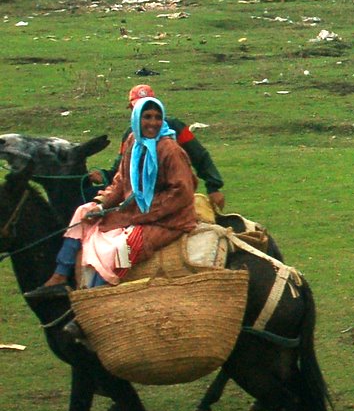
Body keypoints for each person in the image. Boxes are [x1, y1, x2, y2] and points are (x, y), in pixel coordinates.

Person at [30, 96, 198, 296]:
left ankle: (97, 297)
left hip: (169, 219)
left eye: (157, 117)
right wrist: (101, 204)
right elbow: (120, 181)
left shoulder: (171, 150)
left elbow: (181, 193)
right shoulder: (134, 141)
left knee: (119, 248)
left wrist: (141, 212)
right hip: (137, 211)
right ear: (136, 118)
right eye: (147, 117)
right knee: (83, 211)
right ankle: (60, 275)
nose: (153, 123)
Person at [93, 84, 225, 216]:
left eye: (156, 115)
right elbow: (122, 171)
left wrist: (213, 187)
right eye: (144, 113)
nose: (152, 123)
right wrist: (103, 180)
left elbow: (198, 157)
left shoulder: (172, 141)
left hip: (166, 207)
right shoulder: (131, 138)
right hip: (141, 203)